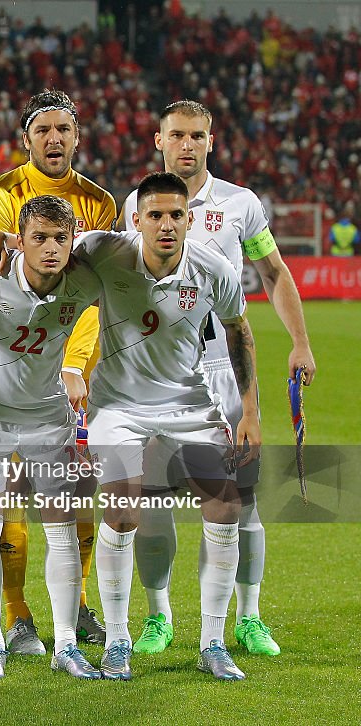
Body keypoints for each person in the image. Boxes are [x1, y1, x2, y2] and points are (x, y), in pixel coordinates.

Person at [119, 101, 315, 657]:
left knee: (239, 498)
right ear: (159, 140)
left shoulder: (239, 205)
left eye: (197, 136)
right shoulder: (139, 204)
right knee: (155, 498)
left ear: (212, 141)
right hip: (159, 370)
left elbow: (272, 272)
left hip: (225, 370)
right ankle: (159, 618)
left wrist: (300, 342)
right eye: (177, 135)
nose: (188, 145)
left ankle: (247, 617)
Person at [78, 172, 261, 681]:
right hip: (119, 405)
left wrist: (249, 410)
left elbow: (239, 330)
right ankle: (117, 641)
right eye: (154, 215)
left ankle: (212, 642)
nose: (166, 224)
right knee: (121, 508)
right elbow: (44, 253)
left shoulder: (213, 269)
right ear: (136, 220)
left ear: (189, 219)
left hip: (189, 403)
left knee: (225, 504)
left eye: (176, 215)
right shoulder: (105, 251)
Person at [0, 89, 116, 653]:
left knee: (77, 495)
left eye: (64, 129)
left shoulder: (99, 203)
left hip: (78, 368)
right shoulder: (1, 195)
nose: (54, 139)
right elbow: (7, 270)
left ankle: (76, 605)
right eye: (43, 131)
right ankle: (16, 614)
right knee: (11, 495)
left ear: (77, 136)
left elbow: (92, 295)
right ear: (26, 139)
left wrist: (76, 363)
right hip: (14, 371)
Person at [0, 195, 104, 681]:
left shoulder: (85, 277)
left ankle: (66, 646)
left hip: (46, 418)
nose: (51, 248)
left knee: (61, 526)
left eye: (60, 238)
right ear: (22, 240)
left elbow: (128, 255)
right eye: (39, 238)